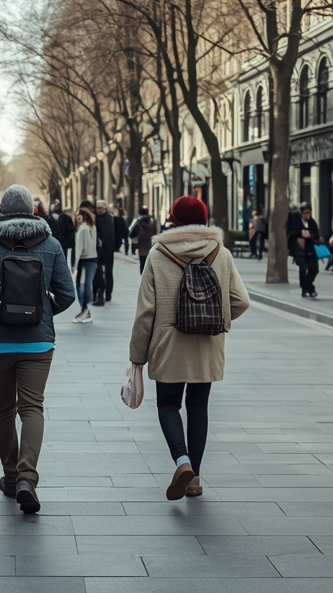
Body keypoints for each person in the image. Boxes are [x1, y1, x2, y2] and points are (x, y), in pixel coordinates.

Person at [0, 185, 76, 514]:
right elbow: (67, 293)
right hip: (38, 340)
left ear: (1, 209)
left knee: (4, 409)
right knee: (32, 408)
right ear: (31, 209)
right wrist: (42, 310)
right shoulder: (50, 244)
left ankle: (10, 478)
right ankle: (28, 478)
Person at [129, 195, 249, 501]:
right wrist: (215, 321)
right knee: (198, 407)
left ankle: (181, 461)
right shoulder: (220, 252)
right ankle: (194, 478)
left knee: (168, 405)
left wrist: (137, 358)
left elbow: (145, 312)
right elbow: (241, 301)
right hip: (207, 345)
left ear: (174, 219)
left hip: (169, 344)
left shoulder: (158, 254)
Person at [286, 203, 321, 298]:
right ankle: (308, 289)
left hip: (309, 248)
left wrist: (310, 235)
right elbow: (289, 233)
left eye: (308, 213)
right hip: (298, 249)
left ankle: (307, 286)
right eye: (304, 213)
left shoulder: (312, 222)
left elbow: (316, 235)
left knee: (314, 269)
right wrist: (300, 234)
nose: (306, 215)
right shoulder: (294, 221)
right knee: (302, 268)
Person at [73, 206, 98, 323]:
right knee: (87, 284)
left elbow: (79, 248)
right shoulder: (93, 227)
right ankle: (86, 310)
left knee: (80, 285)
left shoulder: (82, 229)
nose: (77, 218)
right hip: (93, 259)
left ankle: (85, 310)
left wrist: (75, 265)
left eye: (78, 216)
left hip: (84, 260)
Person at [94, 200, 117, 306]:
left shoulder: (111, 219)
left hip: (108, 250)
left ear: (105, 208)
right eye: (97, 208)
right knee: (98, 272)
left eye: (101, 208)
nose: (99, 210)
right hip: (98, 249)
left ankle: (108, 293)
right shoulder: (95, 219)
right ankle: (99, 292)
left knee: (108, 272)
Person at [129, 206, 159, 274]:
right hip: (150, 244)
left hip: (141, 245)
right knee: (150, 262)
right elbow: (155, 232)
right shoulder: (152, 221)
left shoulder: (137, 221)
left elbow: (132, 233)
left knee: (142, 262)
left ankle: (143, 276)